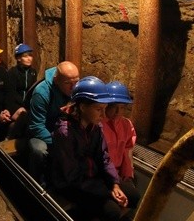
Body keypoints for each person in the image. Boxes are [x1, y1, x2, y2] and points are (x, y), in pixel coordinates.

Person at [50, 76, 129, 221]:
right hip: (71, 184)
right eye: (99, 109)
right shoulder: (65, 132)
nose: (104, 115)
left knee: (133, 195)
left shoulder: (95, 126)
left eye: (105, 109)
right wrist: (106, 190)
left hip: (92, 177)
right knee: (113, 212)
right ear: (82, 107)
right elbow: (71, 175)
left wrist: (114, 184)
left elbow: (104, 157)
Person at [27, 61, 79, 187]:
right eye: (68, 83)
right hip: (44, 131)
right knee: (39, 150)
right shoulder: (42, 93)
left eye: (76, 82)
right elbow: (37, 126)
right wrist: (58, 144)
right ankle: (37, 182)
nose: (73, 87)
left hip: (63, 130)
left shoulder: (77, 89)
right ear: (56, 80)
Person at [102, 81, 141, 213]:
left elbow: (127, 151)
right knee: (112, 210)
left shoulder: (126, 125)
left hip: (117, 173)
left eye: (122, 107)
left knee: (134, 196)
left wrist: (128, 175)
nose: (118, 112)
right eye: (114, 107)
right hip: (103, 175)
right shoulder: (98, 124)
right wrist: (113, 183)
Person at [5, 43, 37, 139]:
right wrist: (16, 108)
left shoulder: (33, 72)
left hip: (26, 105)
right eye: (25, 56)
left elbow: (32, 90)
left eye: (30, 56)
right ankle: (9, 138)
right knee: (22, 118)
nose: (29, 59)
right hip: (15, 105)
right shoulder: (12, 73)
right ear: (18, 59)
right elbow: (10, 94)